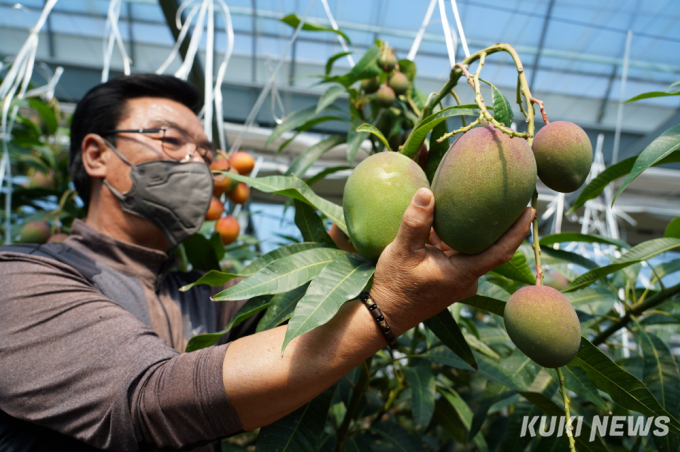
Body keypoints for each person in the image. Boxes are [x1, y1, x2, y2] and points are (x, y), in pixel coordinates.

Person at [0, 74, 534, 451]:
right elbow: (155, 398)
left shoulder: (199, 294)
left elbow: (284, 329)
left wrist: (375, 225)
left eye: (205, 152)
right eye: (169, 139)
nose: (196, 161)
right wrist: (391, 304)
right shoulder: (20, 279)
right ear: (96, 154)